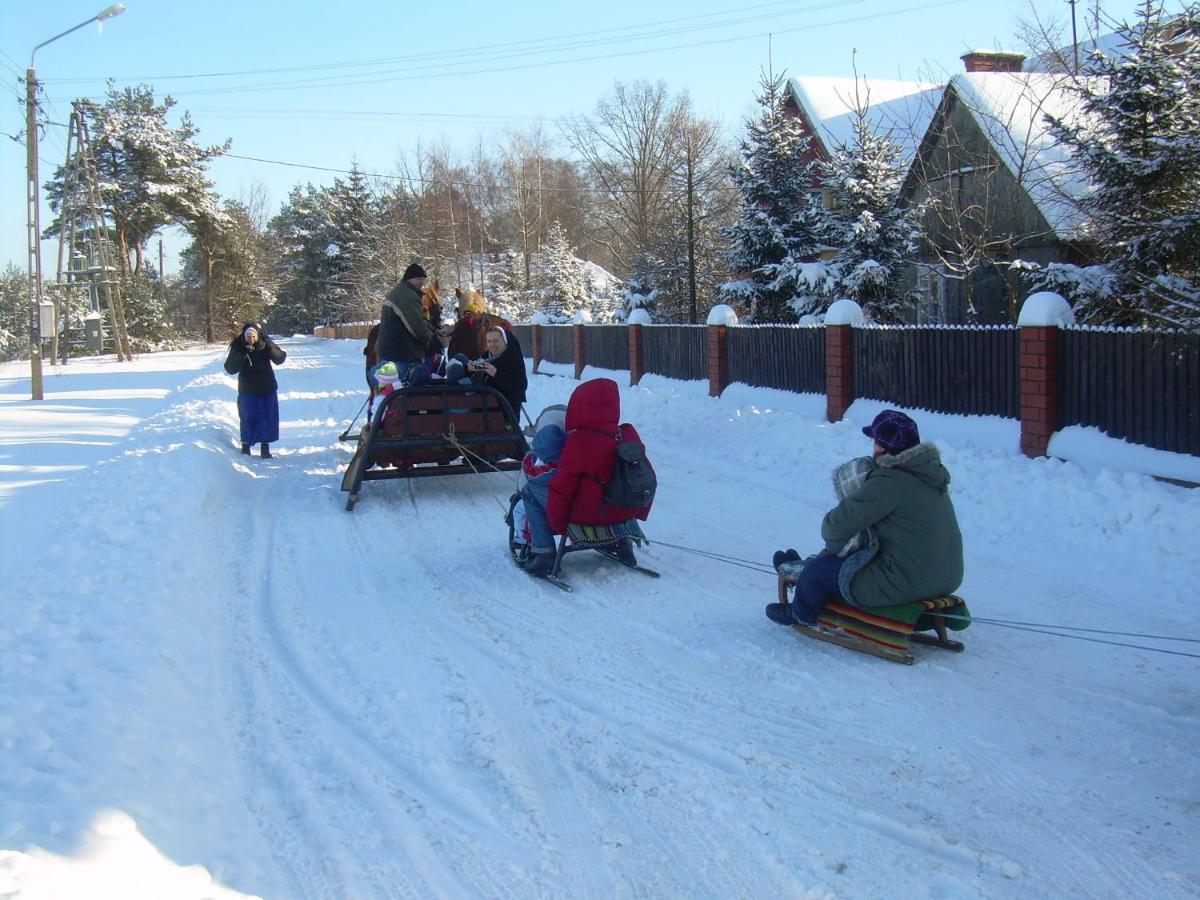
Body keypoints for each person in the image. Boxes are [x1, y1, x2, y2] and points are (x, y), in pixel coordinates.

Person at [765, 410, 963, 627]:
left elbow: (834, 528)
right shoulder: (931, 474)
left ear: (882, 446)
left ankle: (800, 613)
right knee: (846, 560)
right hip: (948, 577)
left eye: (875, 441)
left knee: (819, 572)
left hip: (907, 582)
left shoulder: (890, 480)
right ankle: (803, 570)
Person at [521, 378, 654, 575]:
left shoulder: (578, 442)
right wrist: (638, 513)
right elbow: (645, 478)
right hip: (625, 512)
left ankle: (544, 553)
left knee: (530, 491)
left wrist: (559, 522)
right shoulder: (627, 434)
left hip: (587, 514)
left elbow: (562, 488)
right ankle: (622, 542)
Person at [224, 323, 287, 458]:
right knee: (247, 417)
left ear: (258, 335)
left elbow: (280, 358)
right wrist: (242, 352)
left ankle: (265, 447)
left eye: (253, 336)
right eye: (248, 336)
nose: (251, 339)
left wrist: (268, 347)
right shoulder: (238, 345)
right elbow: (230, 368)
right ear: (244, 336)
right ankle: (246, 446)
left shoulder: (265, 343)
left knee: (267, 417)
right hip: (247, 389)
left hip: (267, 387)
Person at [512, 423, 567, 555]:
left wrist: (529, 457)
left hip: (554, 505)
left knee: (520, 507)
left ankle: (522, 539)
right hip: (571, 502)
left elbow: (530, 473)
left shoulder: (545, 471)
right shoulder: (568, 463)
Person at [375, 263, 436, 380]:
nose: (421, 283)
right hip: (401, 354)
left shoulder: (399, 291)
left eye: (423, 280)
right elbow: (416, 326)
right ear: (409, 278)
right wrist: (431, 340)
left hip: (390, 351)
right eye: (419, 279)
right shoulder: (408, 296)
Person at [468, 325, 527, 418]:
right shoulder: (486, 356)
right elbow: (479, 371)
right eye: (489, 341)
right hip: (481, 409)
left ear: (505, 342)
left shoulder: (513, 360)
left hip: (503, 414)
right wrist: (470, 369)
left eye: (496, 341)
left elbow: (518, 387)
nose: (492, 345)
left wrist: (496, 374)